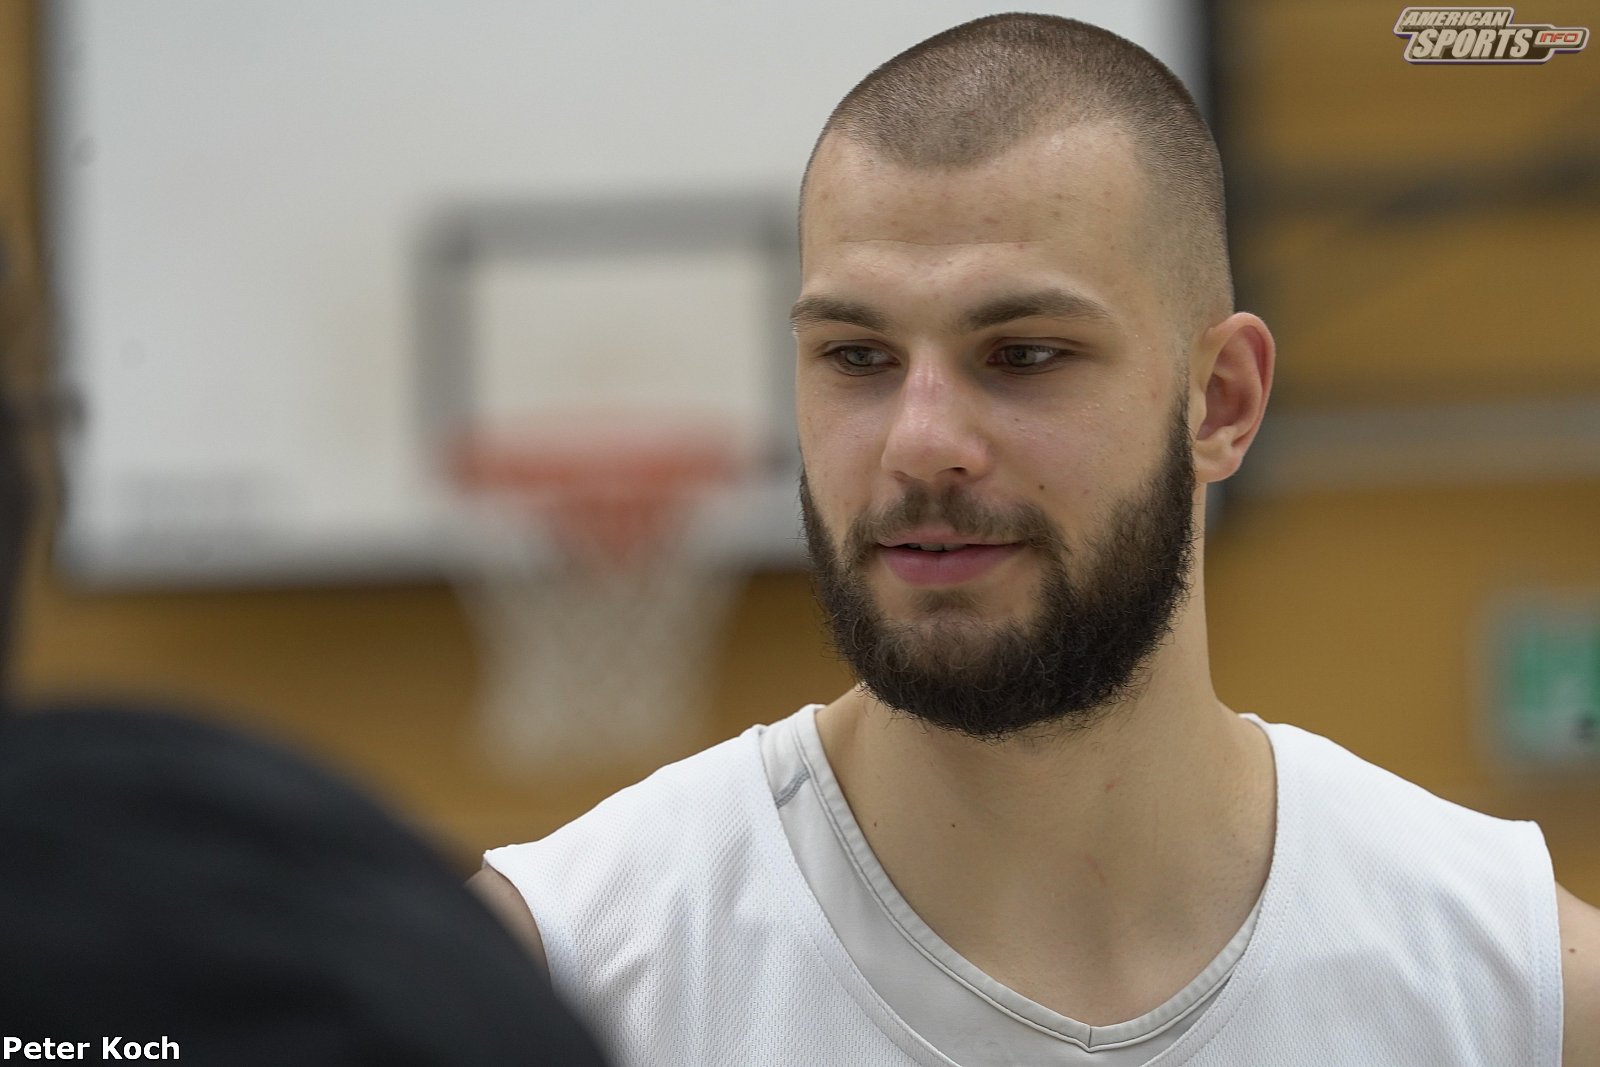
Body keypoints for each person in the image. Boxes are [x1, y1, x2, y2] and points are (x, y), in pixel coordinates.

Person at [473, 14, 1598, 1065]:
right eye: (857, 357)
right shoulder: (556, 978)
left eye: (1023, 354)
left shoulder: (1525, 994)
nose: (920, 443)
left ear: (1220, 402)